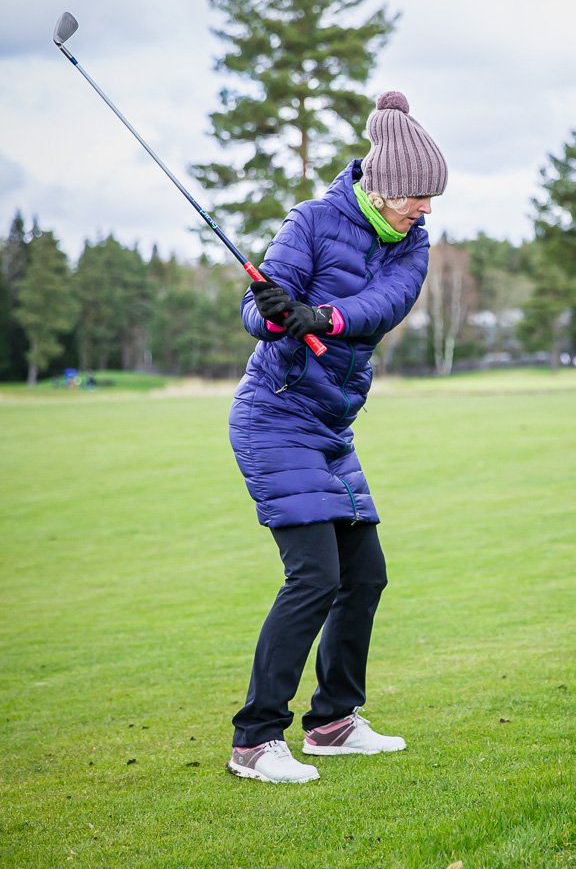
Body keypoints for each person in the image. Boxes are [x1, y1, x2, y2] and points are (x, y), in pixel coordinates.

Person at [226, 90, 448, 783]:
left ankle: (332, 722)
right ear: (380, 186)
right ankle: (256, 741)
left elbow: (381, 308)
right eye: (417, 194)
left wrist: (319, 316)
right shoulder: (313, 223)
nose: (427, 208)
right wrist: (273, 314)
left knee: (365, 574)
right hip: (275, 416)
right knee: (315, 576)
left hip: (330, 427)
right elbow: (256, 316)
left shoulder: (411, 245)